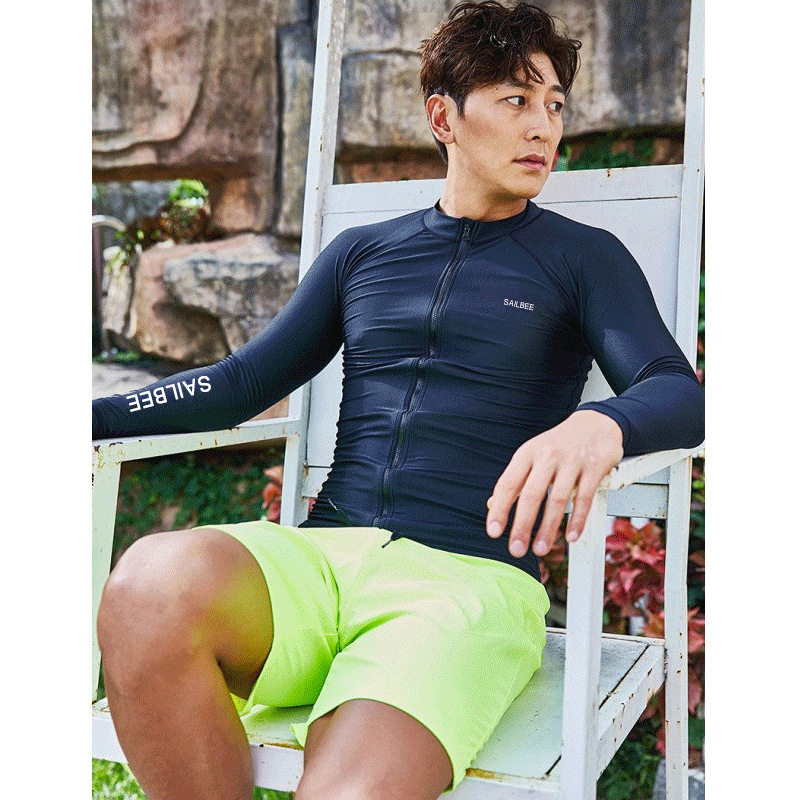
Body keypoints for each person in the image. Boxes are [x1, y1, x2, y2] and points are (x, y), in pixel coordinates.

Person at [93, 2, 704, 798]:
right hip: (322, 561)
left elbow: (676, 390)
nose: (543, 127)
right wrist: (88, 417)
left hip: (466, 584)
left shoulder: (584, 257)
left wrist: (600, 423)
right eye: (516, 100)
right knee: (147, 585)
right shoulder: (362, 253)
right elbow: (240, 384)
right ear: (443, 118)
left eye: (555, 105)